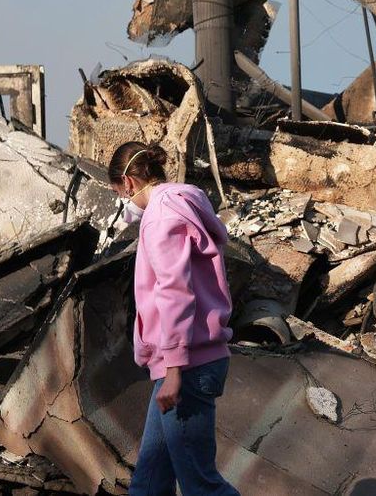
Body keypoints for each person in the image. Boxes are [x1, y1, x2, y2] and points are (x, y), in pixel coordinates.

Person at [108, 141, 239, 496]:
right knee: (149, 483)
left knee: (201, 485)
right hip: (185, 363)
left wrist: (174, 371)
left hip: (187, 366)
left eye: (120, 193)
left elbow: (175, 293)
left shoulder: (161, 218)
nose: (125, 202)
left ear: (129, 183)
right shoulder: (184, 201)